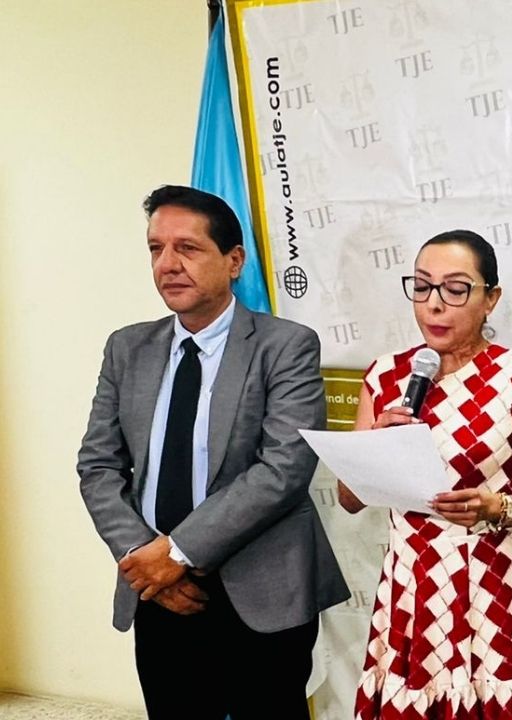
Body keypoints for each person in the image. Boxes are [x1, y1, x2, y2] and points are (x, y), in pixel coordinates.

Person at [77, 185, 350, 719]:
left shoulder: (286, 345)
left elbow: (284, 469)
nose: (168, 264)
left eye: (187, 247)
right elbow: (98, 465)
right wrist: (143, 555)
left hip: (261, 590)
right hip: (156, 589)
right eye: (156, 248)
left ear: (234, 260)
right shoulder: (127, 348)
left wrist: (176, 553)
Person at [340, 229, 512, 719]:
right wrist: (375, 445)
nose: (434, 304)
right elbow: (349, 498)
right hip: (413, 586)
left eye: (455, 289)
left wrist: (496, 507)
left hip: (496, 583)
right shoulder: (385, 377)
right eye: (422, 286)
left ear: (491, 299)